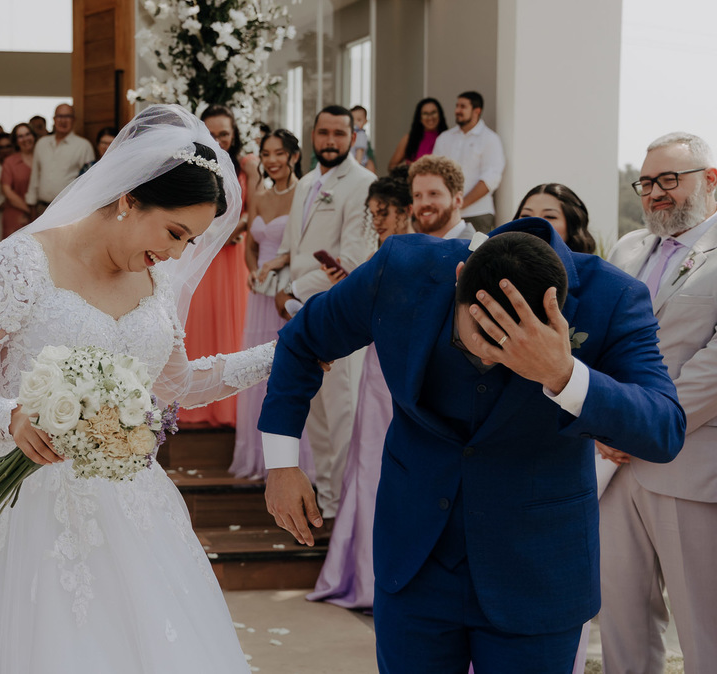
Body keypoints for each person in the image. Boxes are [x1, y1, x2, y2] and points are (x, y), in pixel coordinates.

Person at [0, 104, 272, 674]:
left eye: (190, 242)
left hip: (134, 512)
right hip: (27, 512)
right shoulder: (18, 265)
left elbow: (180, 386)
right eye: (174, 232)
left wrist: (282, 355)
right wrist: (10, 416)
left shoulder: (157, 281)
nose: (176, 254)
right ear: (128, 199)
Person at [260, 216, 685, 671]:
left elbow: (664, 429)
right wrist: (281, 463)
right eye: (477, 337)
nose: (487, 356)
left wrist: (564, 374)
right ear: (461, 277)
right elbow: (302, 340)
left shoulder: (612, 298)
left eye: (507, 348)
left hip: (536, 574)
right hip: (413, 563)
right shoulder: (401, 267)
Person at [601, 131, 717, 673]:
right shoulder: (627, 248)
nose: (655, 193)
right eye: (647, 182)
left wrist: (637, 426)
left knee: (704, 628)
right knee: (621, 622)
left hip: (687, 463)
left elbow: (712, 368)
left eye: (669, 179)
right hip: (610, 467)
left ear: (710, 180)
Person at [307, 171, 412, 610]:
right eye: (373, 214)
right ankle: (364, 575)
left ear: (407, 210)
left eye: (385, 212)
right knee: (368, 464)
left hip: (405, 373)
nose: (379, 220)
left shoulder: (416, 254)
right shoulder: (380, 253)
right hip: (377, 371)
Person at [271, 105, 376, 527]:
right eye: (323, 132)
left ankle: (348, 511)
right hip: (299, 315)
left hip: (339, 313)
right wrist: (281, 287)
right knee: (312, 411)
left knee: (342, 412)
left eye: (339, 133)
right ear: (312, 136)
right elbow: (294, 248)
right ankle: (327, 504)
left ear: (353, 137)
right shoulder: (306, 183)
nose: (330, 140)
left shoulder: (364, 184)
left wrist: (296, 291)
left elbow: (351, 257)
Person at [231, 128, 316, 480]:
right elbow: (251, 243)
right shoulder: (261, 195)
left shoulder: (305, 193)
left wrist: (276, 264)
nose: (272, 160)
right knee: (256, 370)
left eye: (279, 153)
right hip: (260, 293)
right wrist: (252, 271)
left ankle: (295, 461)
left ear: (293, 156)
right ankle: (256, 456)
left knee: (286, 368)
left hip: (287, 291)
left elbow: (304, 244)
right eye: (266, 154)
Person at [176, 104, 250, 428]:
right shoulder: (192, 168)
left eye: (225, 134)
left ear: (234, 136)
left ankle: (230, 407)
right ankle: (192, 401)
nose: (219, 142)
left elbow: (257, 211)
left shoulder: (247, 172)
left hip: (233, 259)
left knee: (231, 320)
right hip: (200, 254)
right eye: (212, 134)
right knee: (200, 319)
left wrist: (243, 225)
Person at [432, 91, 505, 233]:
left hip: (478, 213)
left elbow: (491, 178)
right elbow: (434, 174)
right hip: (446, 214)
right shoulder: (445, 138)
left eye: (463, 106)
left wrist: (462, 203)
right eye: (457, 106)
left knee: (477, 255)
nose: (457, 110)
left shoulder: (490, 139)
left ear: (476, 111)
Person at [25, 104, 94, 219]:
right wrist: (32, 209)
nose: (63, 120)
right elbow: (35, 177)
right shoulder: (42, 143)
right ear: (54, 119)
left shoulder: (83, 146)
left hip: (68, 211)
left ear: (74, 120)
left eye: (67, 116)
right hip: (41, 209)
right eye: (59, 116)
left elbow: (89, 182)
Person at [515, 183, 596, 255]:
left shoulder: (597, 271)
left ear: (573, 225)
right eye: (526, 215)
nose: (535, 222)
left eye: (549, 216)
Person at [409, 154, 475, 240]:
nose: (424, 203)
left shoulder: (478, 250)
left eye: (433, 193)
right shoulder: (417, 249)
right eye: (417, 195)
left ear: (458, 200)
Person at [387, 98, 447, 171]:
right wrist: (408, 166)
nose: (430, 117)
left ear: (440, 115)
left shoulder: (447, 137)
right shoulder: (409, 139)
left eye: (433, 112)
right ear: (419, 118)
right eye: (425, 113)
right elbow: (391, 167)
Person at [0, 122, 36, 239]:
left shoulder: (42, 158)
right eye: (20, 136)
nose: (25, 139)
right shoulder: (10, 162)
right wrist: (30, 211)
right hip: (16, 215)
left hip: (41, 214)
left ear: (33, 136)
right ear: (15, 141)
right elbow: (7, 191)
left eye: (27, 134)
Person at [349, 105, 376, 173]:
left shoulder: (361, 135)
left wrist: (356, 167)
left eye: (359, 120)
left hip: (359, 165)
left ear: (365, 121)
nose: (355, 123)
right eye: (352, 120)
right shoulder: (351, 134)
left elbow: (359, 152)